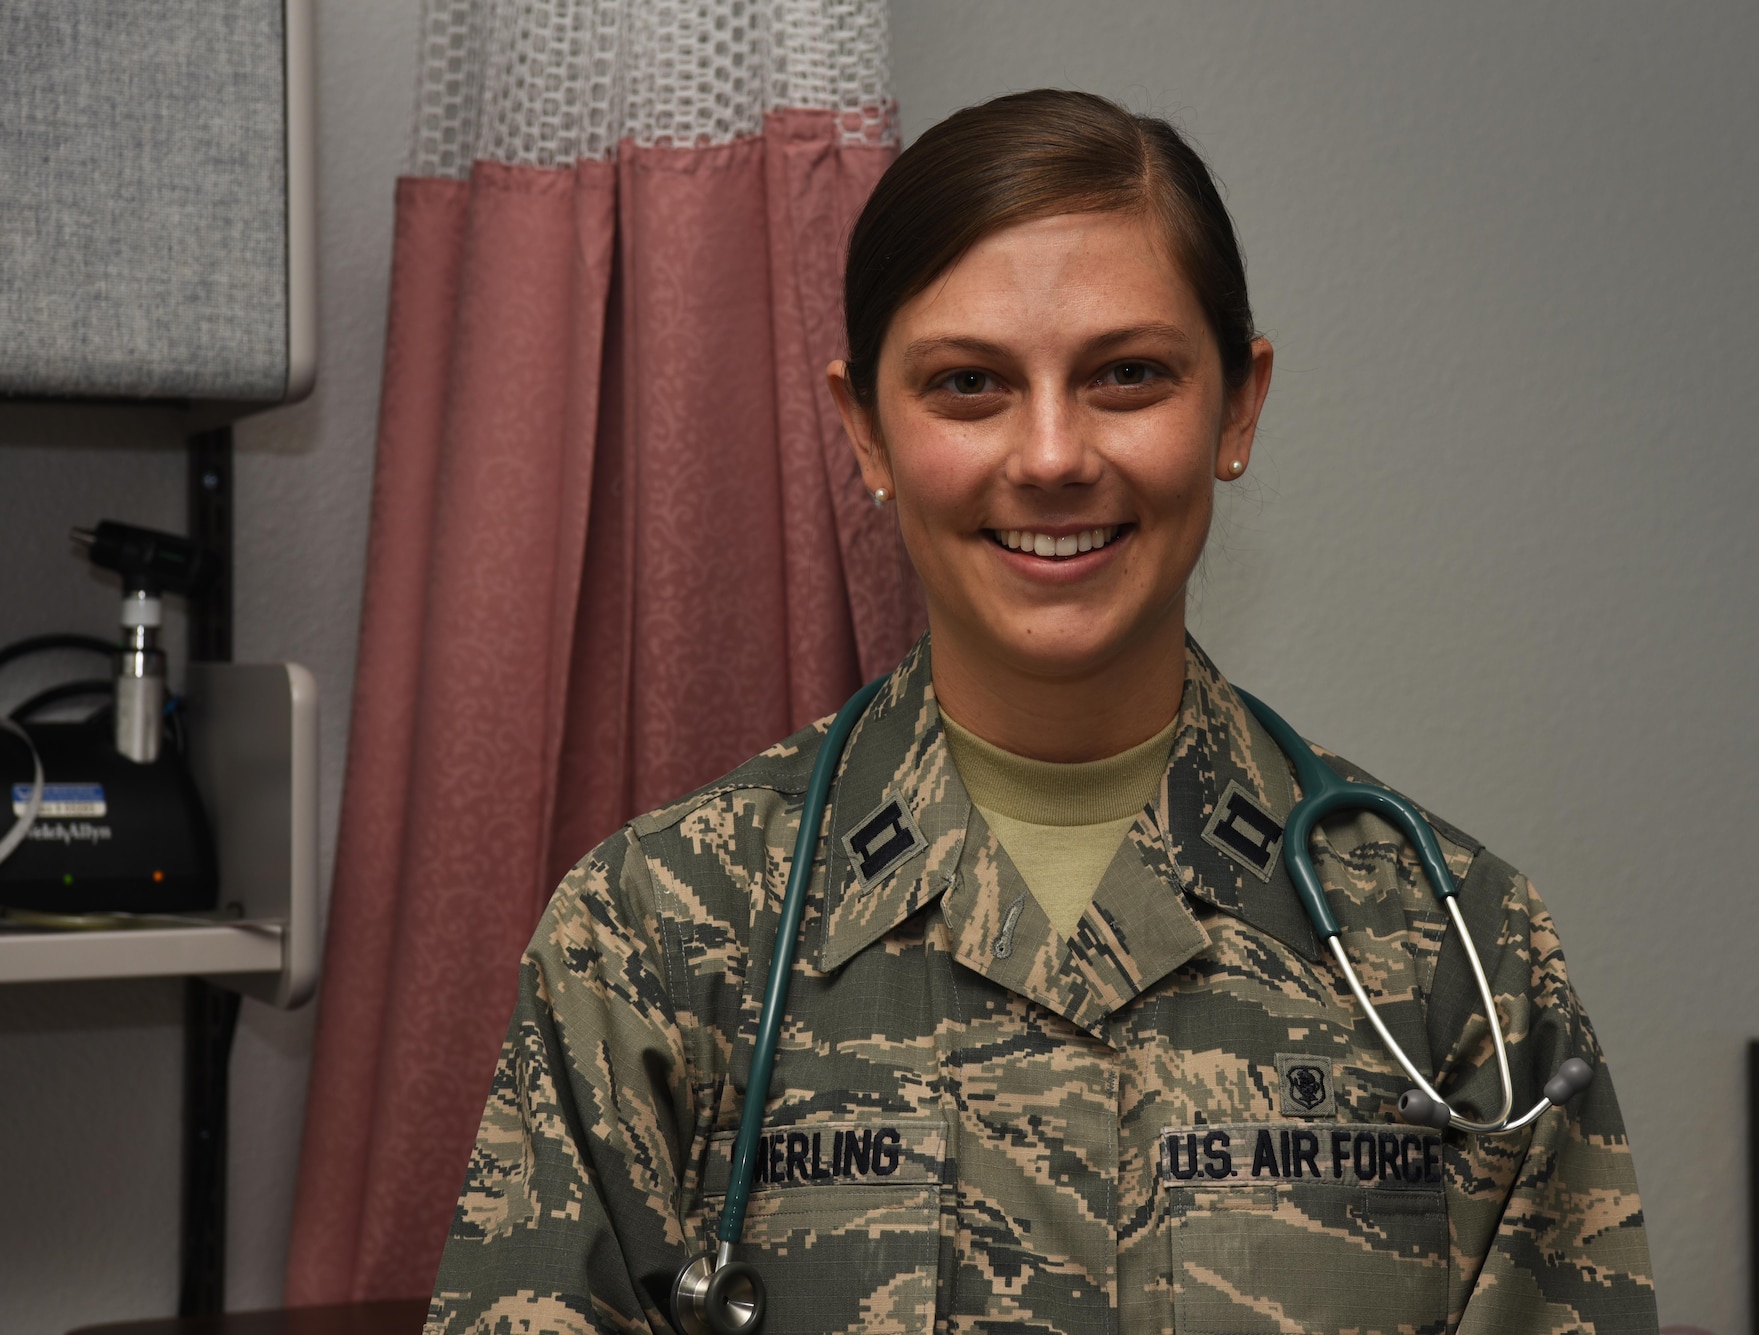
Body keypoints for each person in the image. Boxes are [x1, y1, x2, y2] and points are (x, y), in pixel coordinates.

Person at [427, 89, 1658, 1335]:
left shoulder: (1456, 952)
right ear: (864, 431)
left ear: (1236, 406)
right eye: (969, 384)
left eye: (1128, 375)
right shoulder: (659, 937)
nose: (1055, 453)